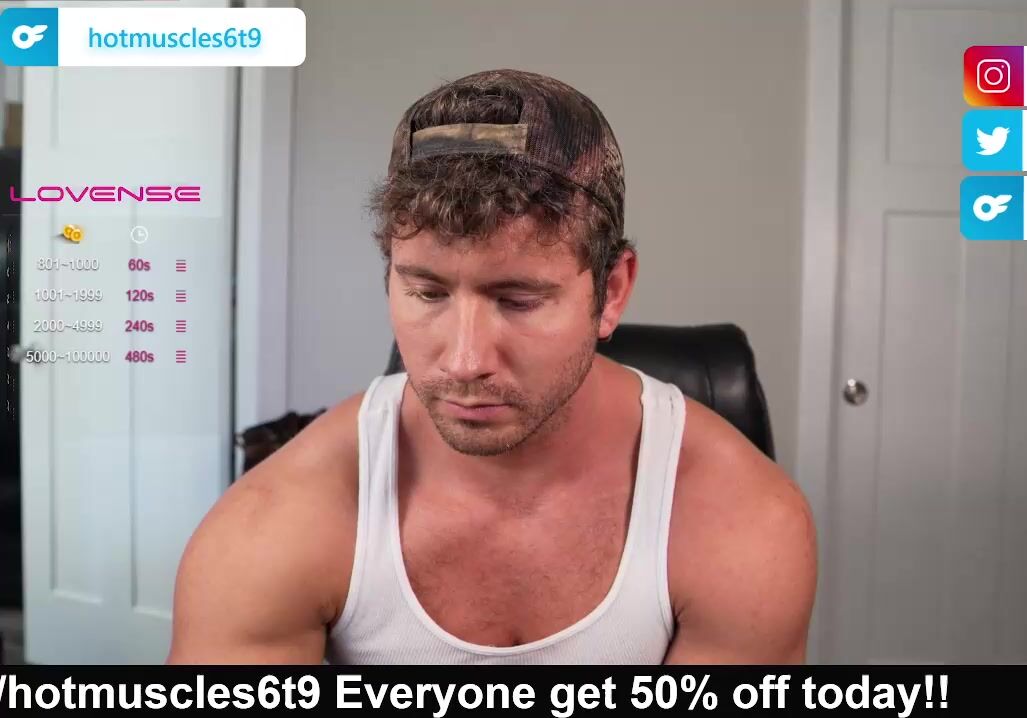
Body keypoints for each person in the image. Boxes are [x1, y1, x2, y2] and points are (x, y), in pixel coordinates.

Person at [168, 69, 816, 664]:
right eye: (427, 293)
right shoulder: (274, 526)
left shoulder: (739, 522)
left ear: (612, 291)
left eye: (519, 300)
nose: (465, 360)